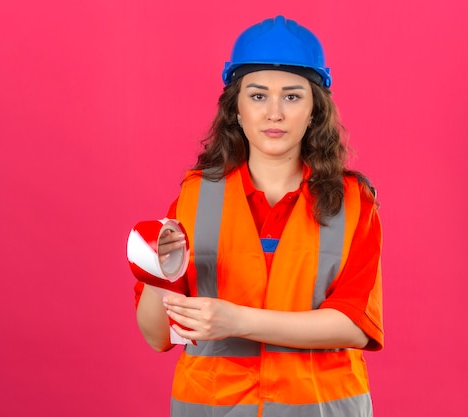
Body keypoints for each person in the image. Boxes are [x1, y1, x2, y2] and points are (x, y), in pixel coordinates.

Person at [133, 15, 383, 417]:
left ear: (315, 110)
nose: (274, 113)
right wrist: (154, 273)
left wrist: (235, 320)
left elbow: (354, 325)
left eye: (292, 96)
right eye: (257, 95)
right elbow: (157, 335)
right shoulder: (194, 197)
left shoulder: (354, 201)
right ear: (236, 107)